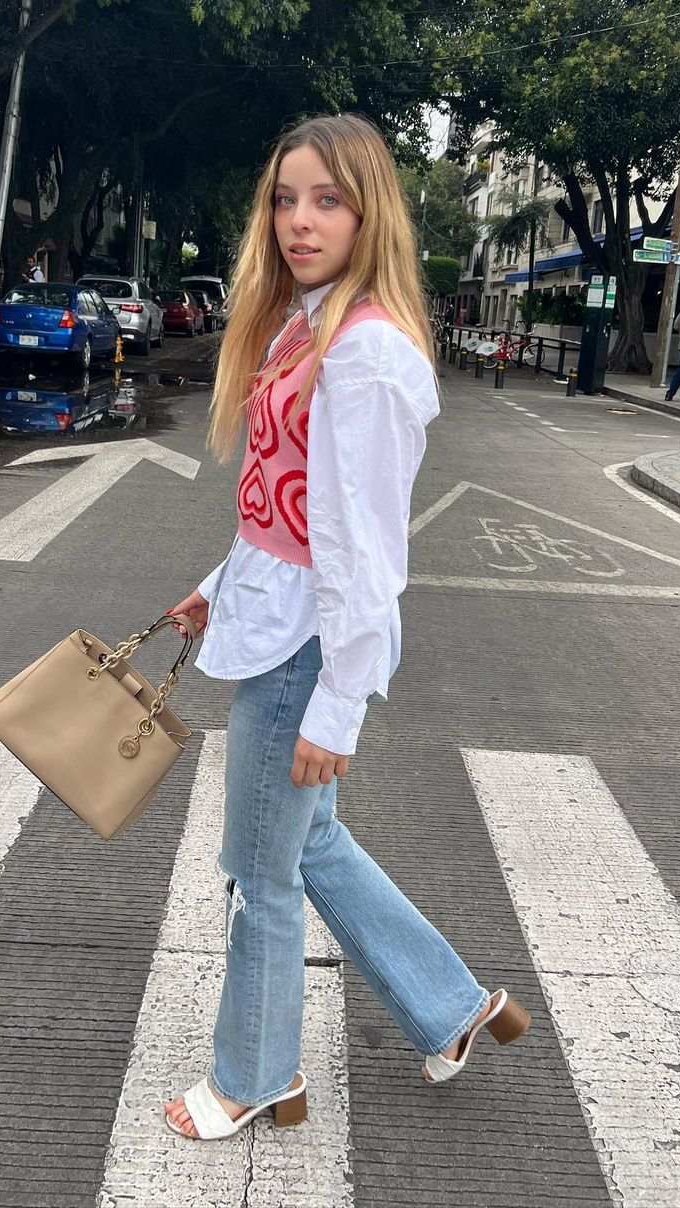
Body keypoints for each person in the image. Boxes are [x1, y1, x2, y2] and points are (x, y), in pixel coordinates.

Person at [162, 113, 530, 1143]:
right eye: (286, 199)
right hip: (278, 620)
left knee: (260, 870)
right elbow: (284, 510)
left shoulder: (363, 353)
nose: (300, 220)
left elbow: (367, 553)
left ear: (370, 214)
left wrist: (339, 704)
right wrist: (217, 585)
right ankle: (452, 1007)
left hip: (306, 650)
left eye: (327, 200)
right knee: (310, 843)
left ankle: (254, 1077)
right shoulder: (304, 323)